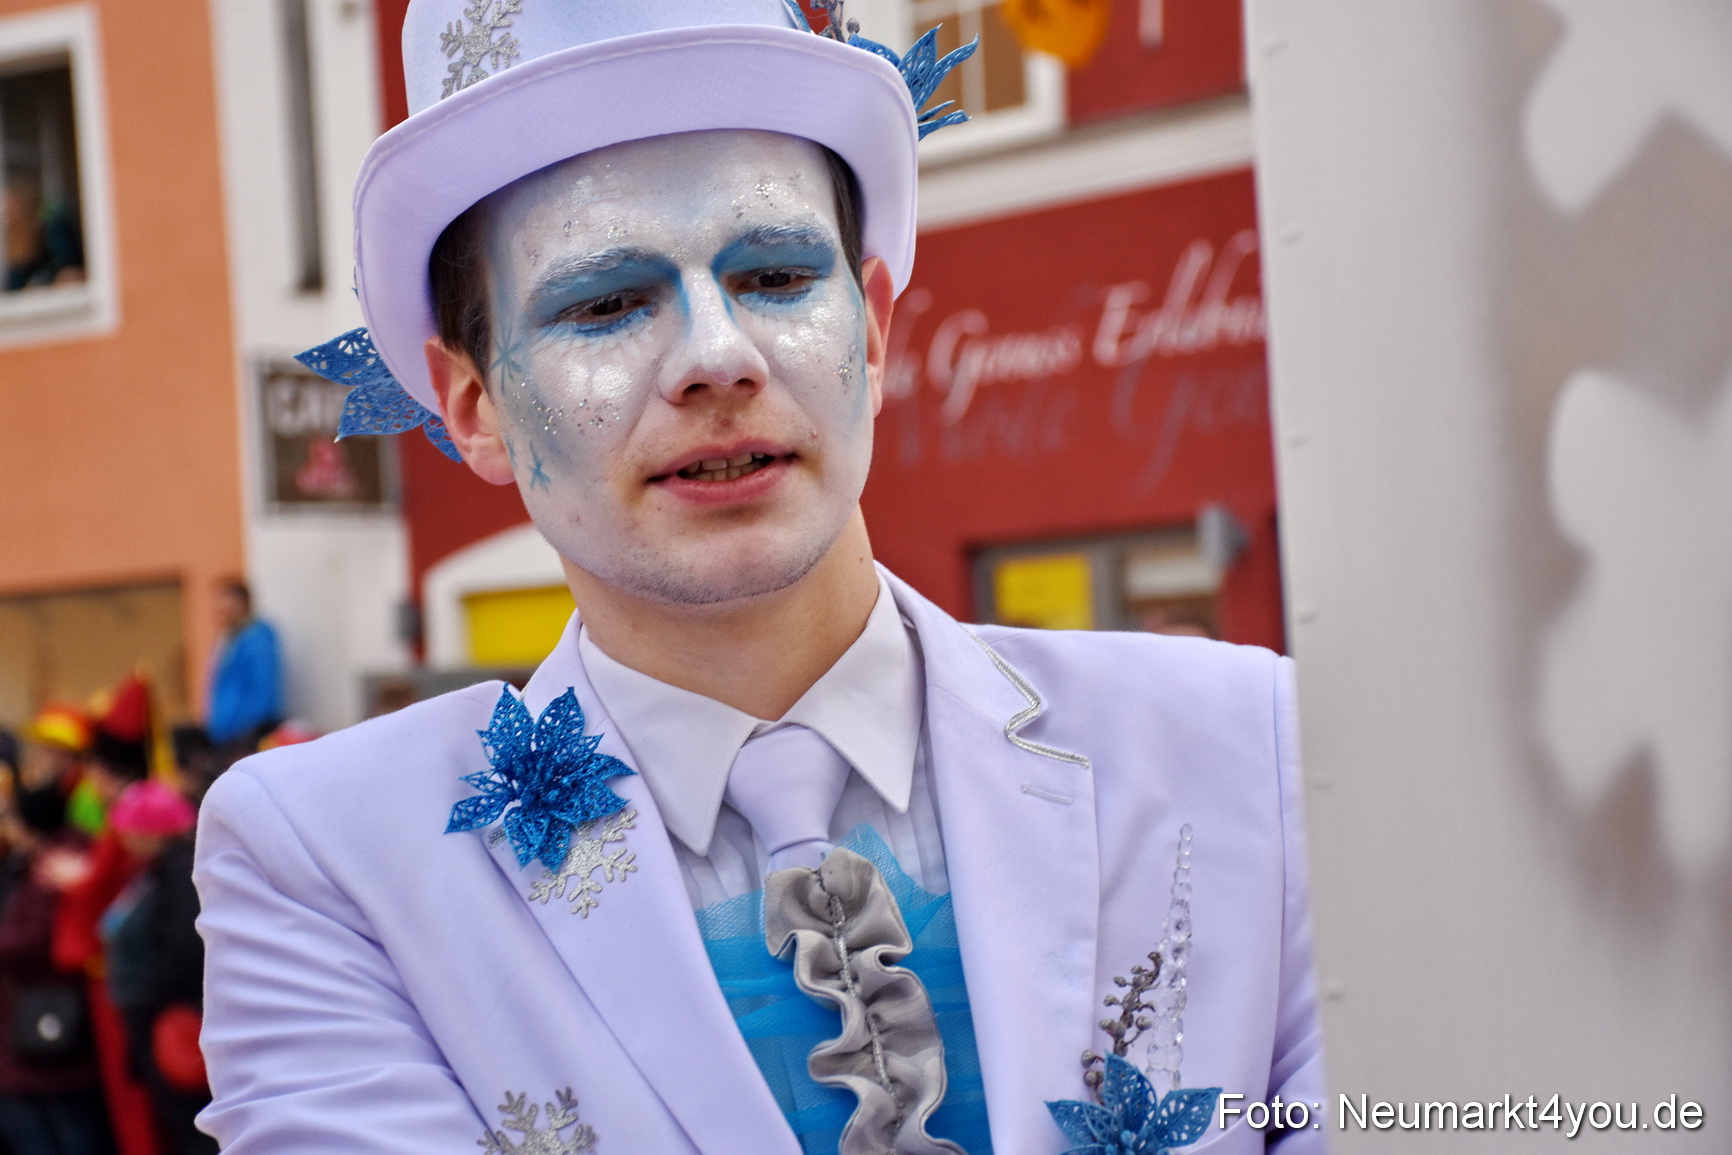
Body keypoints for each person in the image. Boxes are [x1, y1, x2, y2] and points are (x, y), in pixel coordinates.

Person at [194, 4, 1323, 1153]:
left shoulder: (1245, 747)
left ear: (873, 335)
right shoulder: (333, 865)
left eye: (776, 275)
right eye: (604, 304)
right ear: (474, 409)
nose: (717, 358)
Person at [202, 582, 281, 747]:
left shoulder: (257, 639)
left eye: (226, 606)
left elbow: (262, 689)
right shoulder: (227, 640)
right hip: (224, 735)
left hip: (246, 734)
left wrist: (245, 729)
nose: (220, 612)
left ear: (243, 605)